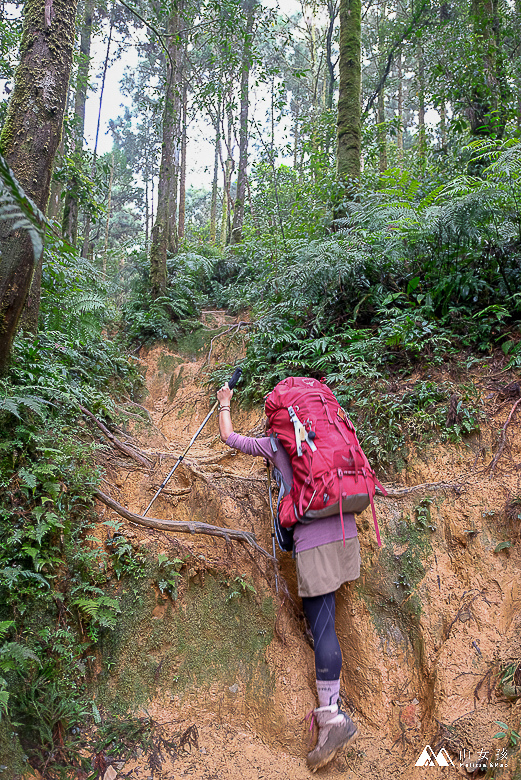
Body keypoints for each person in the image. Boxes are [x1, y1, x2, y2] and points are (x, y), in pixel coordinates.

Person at [216, 381, 360, 772]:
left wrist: (224, 404)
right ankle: (334, 703)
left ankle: (331, 718)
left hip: (312, 538)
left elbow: (229, 438)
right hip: (346, 529)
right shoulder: (326, 430)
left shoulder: (278, 445)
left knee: (324, 628)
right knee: (326, 620)